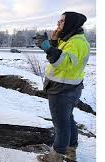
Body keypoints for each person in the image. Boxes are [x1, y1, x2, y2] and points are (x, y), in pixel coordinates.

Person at [35, 12, 90, 162]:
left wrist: (48, 48)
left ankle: (55, 157)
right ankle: (71, 150)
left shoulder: (76, 42)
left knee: (61, 125)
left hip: (62, 90)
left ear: (71, 23)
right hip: (69, 87)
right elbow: (59, 55)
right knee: (68, 119)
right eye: (58, 21)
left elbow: (62, 62)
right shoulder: (70, 38)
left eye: (62, 21)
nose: (58, 24)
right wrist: (52, 42)